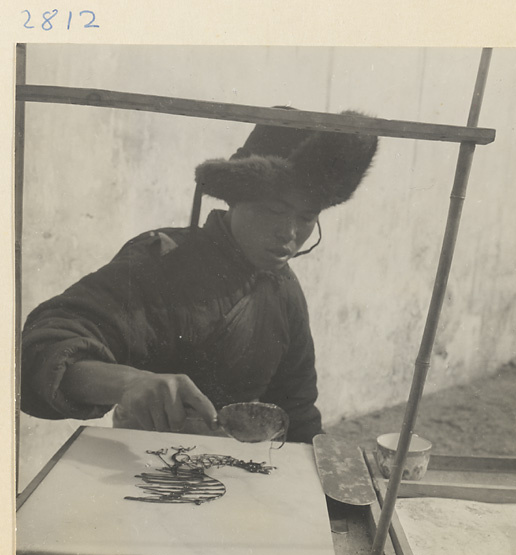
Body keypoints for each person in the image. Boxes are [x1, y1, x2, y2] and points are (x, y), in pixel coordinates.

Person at [20, 109, 378, 444]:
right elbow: (37, 350)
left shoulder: (284, 289)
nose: (289, 233)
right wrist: (129, 383)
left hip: (240, 469)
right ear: (235, 199)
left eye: (306, 216)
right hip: (143, 468)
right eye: (274, 209)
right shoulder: (162, 263)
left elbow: (297, 409)